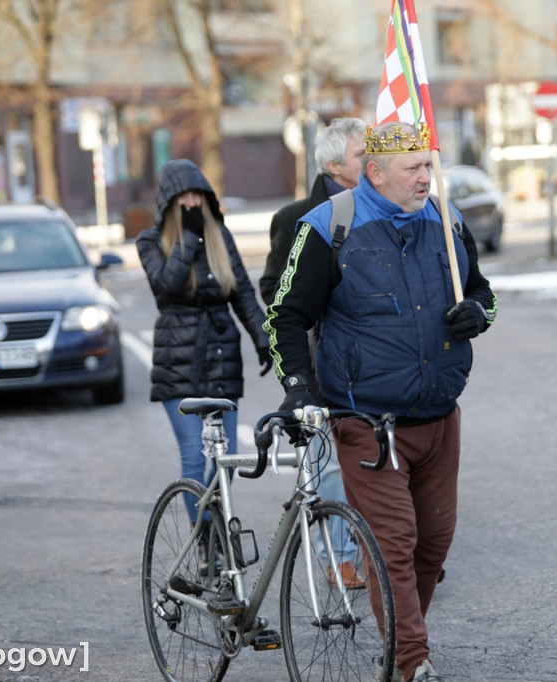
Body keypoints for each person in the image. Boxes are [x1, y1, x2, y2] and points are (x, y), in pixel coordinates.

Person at [265, 121, 496, 682]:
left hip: (439, 416)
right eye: (413, 168)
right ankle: (410, 661)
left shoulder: (446, 219)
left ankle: (395, 647)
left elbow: (482, 292)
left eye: (428, 165)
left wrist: (478, 314)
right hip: (367, 421)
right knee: (393, 544)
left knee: (433, 545)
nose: (426, 178)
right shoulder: (329, 226)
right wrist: (297, 384)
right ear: (375, 172)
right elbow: (286, 315)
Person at [260, 117, 367, 589]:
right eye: (362, 154)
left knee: (373, 456)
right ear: (334, 165)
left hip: (370, 360)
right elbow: (274, 290)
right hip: (318, 361)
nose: (372, 160)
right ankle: (338, 556)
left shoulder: (381, 210)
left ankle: (389, 550)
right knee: (326, 464)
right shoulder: (294, 219)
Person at [137, 159, 271, 533]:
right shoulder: (151, 241)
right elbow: (168, 286)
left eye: (198, 195)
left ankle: (212, 525)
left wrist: (262, 336)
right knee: (194, 458)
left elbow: (242, 293)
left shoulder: (220, 236)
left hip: (221, 357)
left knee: (227, 459)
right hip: (177, 360)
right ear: (169, 202)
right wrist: (189, 238)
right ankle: (206, 536)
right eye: (184, 197)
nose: (193, 203)